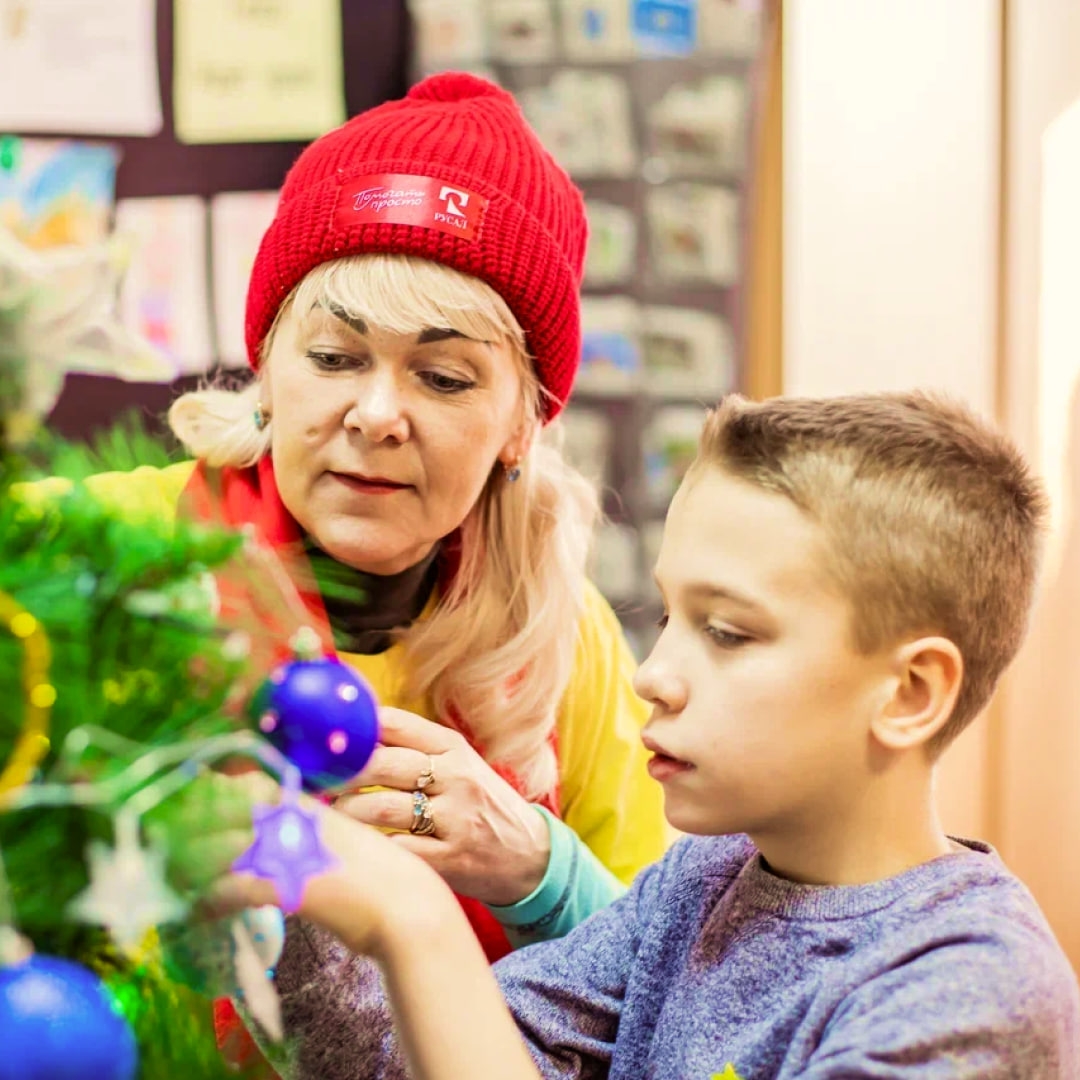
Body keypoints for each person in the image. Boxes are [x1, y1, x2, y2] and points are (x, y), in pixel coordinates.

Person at [38, 71, 667, 1076]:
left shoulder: (565, 638)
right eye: (333, 357)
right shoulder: (103, 545)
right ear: (269, 368)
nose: (378, 413)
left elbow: (679, 1000)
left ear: (521, 423)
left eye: (444, 375)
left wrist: (542, 874)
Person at [211, 390, 1080, 1079]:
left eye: (729, 632)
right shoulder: (699, 886)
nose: (651, 675)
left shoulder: (971, 993)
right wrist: (277, 882)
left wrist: (414, 923)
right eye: (669, 615)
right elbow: (429, 1063)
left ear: (909, 693)